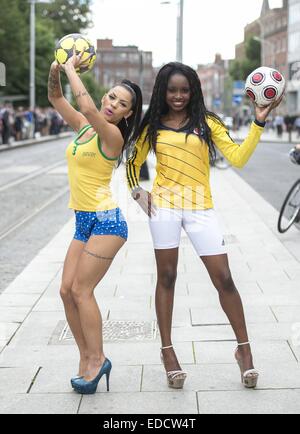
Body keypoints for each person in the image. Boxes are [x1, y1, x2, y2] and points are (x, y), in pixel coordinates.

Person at [126, 62, 283, 390]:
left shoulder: (206, 122)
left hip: (201, 208)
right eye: (173, 90)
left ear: (193, 90)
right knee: (166, 277)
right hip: (165, 209)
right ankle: (168, 353)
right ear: (163, 92)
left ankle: (244, 351)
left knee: (224, 279)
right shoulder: (152, 124)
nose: (179, 96)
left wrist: (259, 121)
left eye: (184, 90)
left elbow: (237, 158)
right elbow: (132, 161)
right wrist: (138, 191)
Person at [48, 52, 142, 395]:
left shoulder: (112, 137)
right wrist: (56, 69)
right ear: (106, 97)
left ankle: (98, 358)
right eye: (112, 97)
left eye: (123, 104)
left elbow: (87, 108)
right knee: (65, 292)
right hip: (83, 221)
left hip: (107, 222)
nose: (114, 104)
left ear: (128, 113)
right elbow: (56, 98)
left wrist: (72, 68)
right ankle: (87, 357)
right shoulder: (85, 129)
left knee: (81, 291)